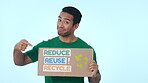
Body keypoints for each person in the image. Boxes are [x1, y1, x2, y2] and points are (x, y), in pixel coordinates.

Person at [13, 6, 101, 83]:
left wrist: (95, 74)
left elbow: (94, 81)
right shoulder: (46, 46)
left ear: (76, 26)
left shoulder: (87, 50)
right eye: (59, 20)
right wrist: (17, 49)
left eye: (66, 22)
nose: (60, 25)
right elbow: (20, 61)